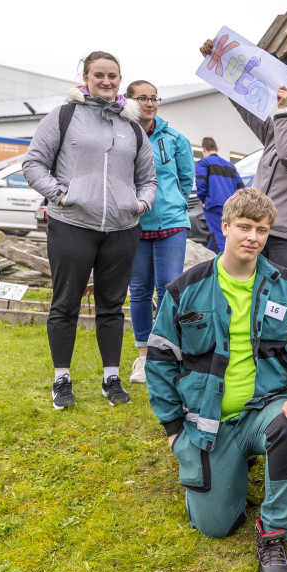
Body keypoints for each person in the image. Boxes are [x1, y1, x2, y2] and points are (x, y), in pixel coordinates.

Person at [145, 188, 287, 572]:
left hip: (266, 408)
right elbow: (159, 361)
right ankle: (227, 468)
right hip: (208, 422)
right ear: (224, 227)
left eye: (262, 230)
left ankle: (274, 536)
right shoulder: (184, 289)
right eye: (245, 227)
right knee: (215, 527)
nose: (253, 237)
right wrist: (173, 430)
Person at [23, 51, 157, 409]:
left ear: (119, 80)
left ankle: (111, 378)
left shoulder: (132, 126)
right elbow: (33, 163)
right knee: (65, 303)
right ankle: (61, 379)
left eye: (112, 75)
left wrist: (140, 204)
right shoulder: (63, 116)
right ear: (85, 78)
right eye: (99, 75)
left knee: (112, 307)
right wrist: (62, 195)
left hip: (122, 228)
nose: (106, 81)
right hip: (72, 224)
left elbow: (148, 179)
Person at [200, 38, 287, 279]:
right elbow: (245, 103)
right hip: (254, 232)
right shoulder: (278, 132)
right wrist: (219, 62)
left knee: (286, 298)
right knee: (246, 293)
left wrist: (282, 111)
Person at [124, 80, 195, 385]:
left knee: (168, 288)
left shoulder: (176, 138)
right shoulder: (121, 135)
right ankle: (143, 356)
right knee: (139, 290)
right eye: (142, 98)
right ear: (128, 101)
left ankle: (165, 352)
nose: (149, 103)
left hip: (172, 223)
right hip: (133, 224)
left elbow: (186, 179)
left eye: (154, 98)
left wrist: (172, 202)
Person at [195, 136, 244, 252]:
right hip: (231, 206)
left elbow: (200, 183)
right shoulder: (230, 166)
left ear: (204, 149)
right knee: (218, 234)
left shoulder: (204, 163)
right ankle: (210, 258)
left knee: (220, 236)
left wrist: (203, 199)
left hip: (213, 204)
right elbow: (241, 188)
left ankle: (225, 260)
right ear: (217, 148)